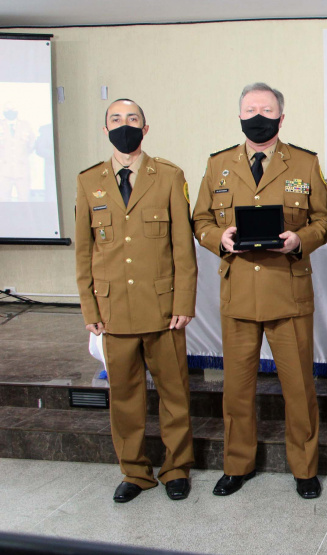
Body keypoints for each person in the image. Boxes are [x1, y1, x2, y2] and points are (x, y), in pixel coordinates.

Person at [192, 82, 327, 499]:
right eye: (250, 109)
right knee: (236, 387)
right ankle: (237, 465)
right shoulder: (218, 164)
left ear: (281, 117)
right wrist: (220, 237)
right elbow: (199, 219)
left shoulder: (305, 164)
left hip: (287, 290)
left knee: (299, 388)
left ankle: (305, 468)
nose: (258, 115)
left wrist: (299, 240)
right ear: (239, 116)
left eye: (266, 109)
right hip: (239, 291)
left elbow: (325, 220)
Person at [74, 98, 197, 503]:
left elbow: (183, 249)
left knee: (174, 394)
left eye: (132, 120)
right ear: (104, 129)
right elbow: (83, 252)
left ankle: (176, 468)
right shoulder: (88, 181)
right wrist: (90, 309)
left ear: (145, 129)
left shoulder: (168, 176)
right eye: (115, 119)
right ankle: (135, 472)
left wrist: (184, 302)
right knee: (124, 399)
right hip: (114, 312)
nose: (124, 126)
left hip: (164, 310)